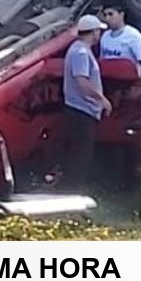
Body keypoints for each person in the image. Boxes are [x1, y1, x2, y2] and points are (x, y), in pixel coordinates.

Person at [62, 14, 113, 192]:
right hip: (81, 110)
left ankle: (71, 192)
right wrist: (102, 99)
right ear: (93, 32)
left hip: (80, 110)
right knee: (80, 156)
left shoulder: (77, 49)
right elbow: (82, 82)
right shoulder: (81, 52)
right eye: (98, 31)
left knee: (78, 154)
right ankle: (72, 194)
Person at [98, 4, 141, 81]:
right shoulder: (105, 36)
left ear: (121, 14)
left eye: (111, 14)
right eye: (105, 15)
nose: (107, 18)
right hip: (109, 82)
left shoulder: (133, 36)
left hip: (129, 82)